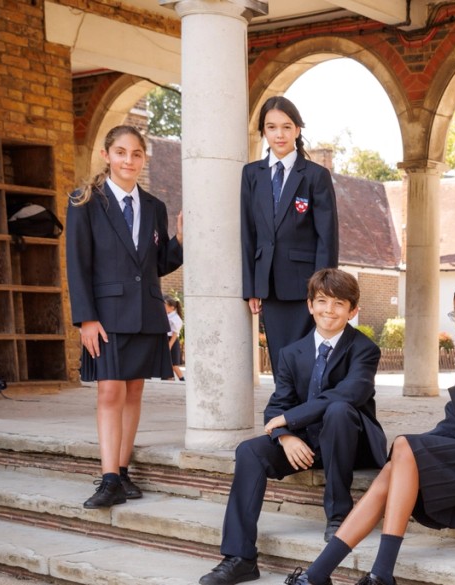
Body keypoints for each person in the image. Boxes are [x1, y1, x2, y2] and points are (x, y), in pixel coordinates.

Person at [283, 281, 455, 585]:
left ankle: (372, 573)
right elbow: (454, 423)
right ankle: (323, 574)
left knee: (406, 448)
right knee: (400, 461)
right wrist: (418, 452)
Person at [199, 268, 387, 585]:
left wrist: (290, 419)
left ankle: (339, 514)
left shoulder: (364, 349)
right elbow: (278, 404)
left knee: (340, 409)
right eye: (323, 301)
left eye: (339, 303)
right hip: (305, 444)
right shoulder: (291, 353)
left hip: (351, 444)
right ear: (310, 305)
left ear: (352, 310)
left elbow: (352, 393)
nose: (330, 310)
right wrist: (285, 435)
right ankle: (240, 557)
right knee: (249, 451)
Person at [66, 125, 184, 509]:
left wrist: (180, 241)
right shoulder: (84, 201)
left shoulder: (154, 206)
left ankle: (122, 469)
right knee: (109, 391)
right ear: (107, 155)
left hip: (146, 313)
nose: (128, 160)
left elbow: (157, 263)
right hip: (106, 314)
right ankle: (108, 478)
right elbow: (77, 263)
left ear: (143, 158)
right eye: (121, 152)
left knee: (134, 391)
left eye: (135, 154)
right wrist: (86, 318)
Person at [242, 96, 339, 379]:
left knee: (308, 362)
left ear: (297, 130)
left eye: (286, 126)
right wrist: (252, 286)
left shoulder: (315, 176)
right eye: (271, 127)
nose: (279, 134)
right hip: (269, 287)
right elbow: (248, 233)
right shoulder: (251, 174)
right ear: (264, 132)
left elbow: (327, 237)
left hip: (306, 287)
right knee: (281, 361)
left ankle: (308, 418)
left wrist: (322, 291)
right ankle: (288, 418)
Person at [164, 295, 185, 381]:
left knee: (173, 363)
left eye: (165, 305)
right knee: (168, 362)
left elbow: (175, 333)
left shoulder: (175, 318)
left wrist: (170, 345)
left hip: (171, 340)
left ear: (172, 307)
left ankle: (182, 379)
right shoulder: (169, 316)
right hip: (167, 339)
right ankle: (170, 378)